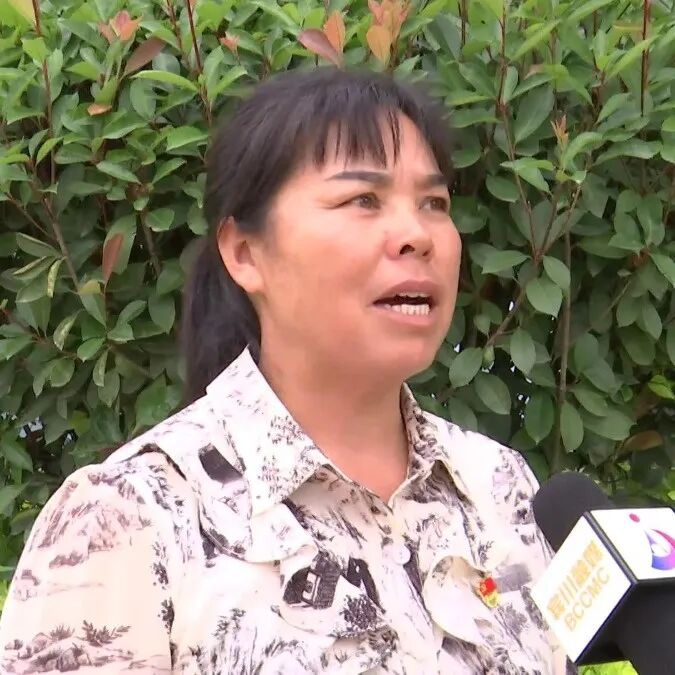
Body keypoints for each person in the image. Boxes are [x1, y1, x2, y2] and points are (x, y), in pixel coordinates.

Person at [0, 68, 570, 674]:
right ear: (246, 253)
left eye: (434, 203)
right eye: (362, 200)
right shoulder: (131, 515)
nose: (417, 235)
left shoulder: (498, 485)